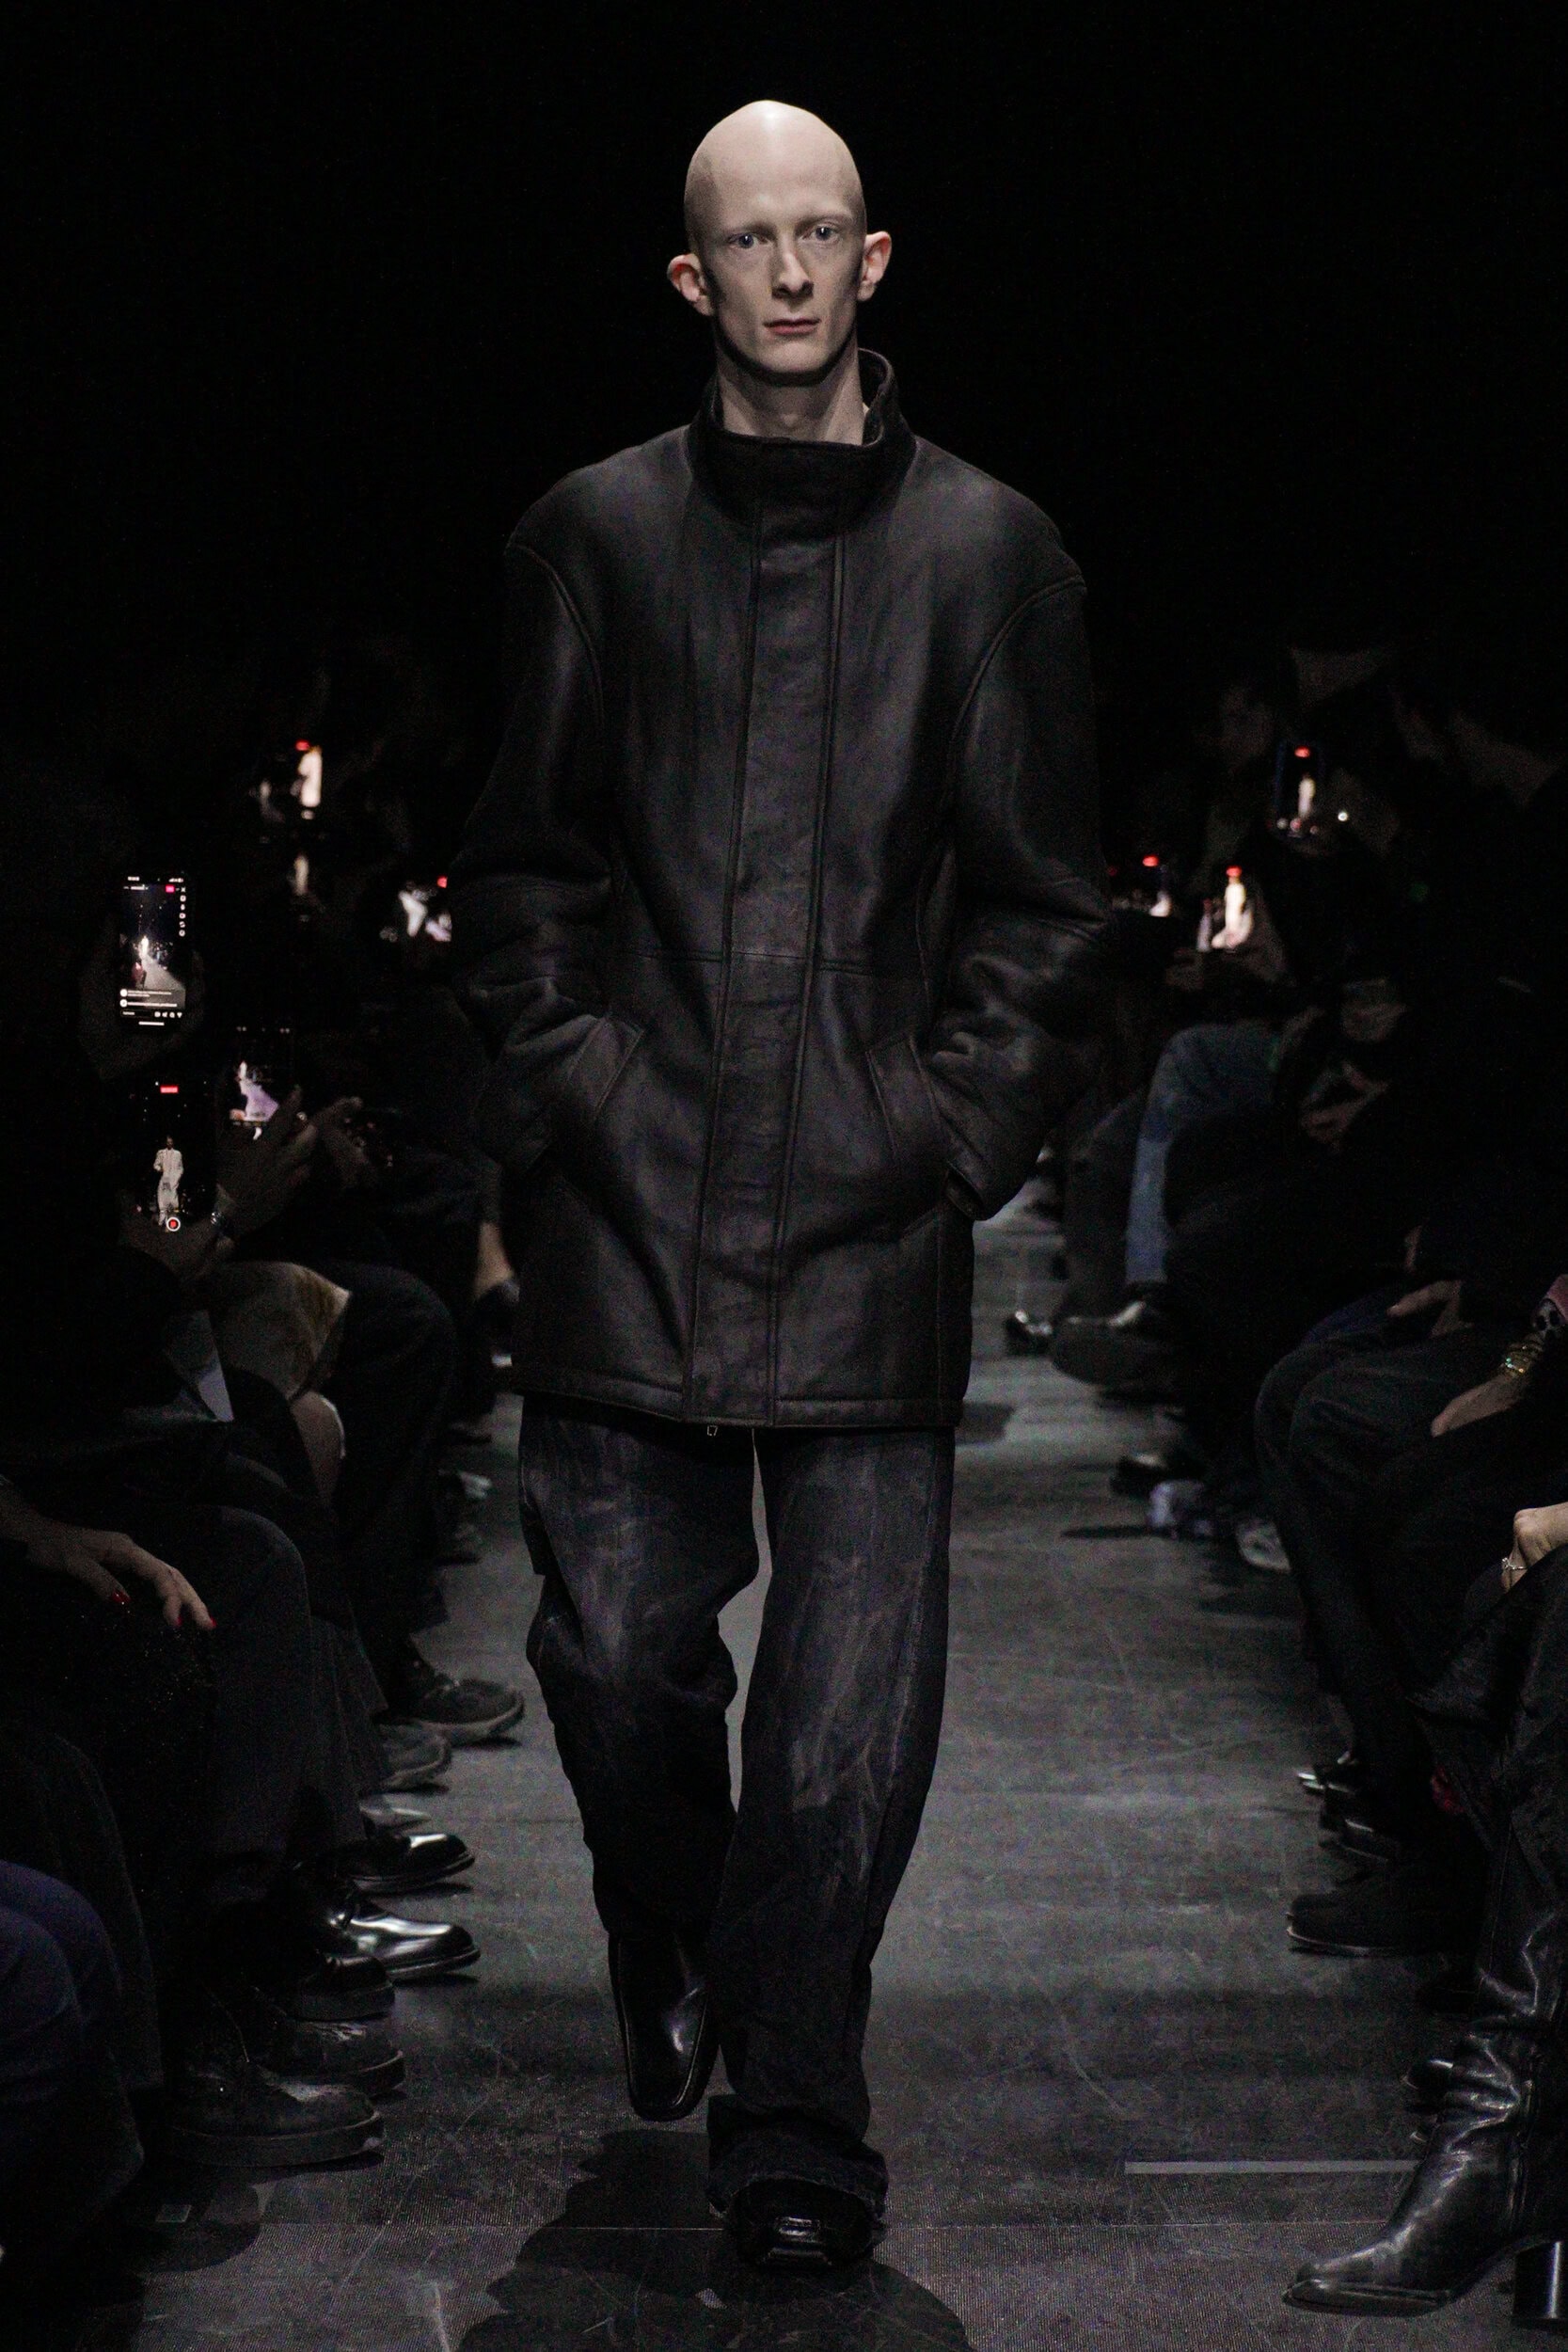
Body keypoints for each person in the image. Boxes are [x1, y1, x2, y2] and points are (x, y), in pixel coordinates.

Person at [452, 100, 1106, 2267]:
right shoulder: (591, 540)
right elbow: (520, 869)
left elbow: (1047, 907)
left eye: (827, 233)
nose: (796, 272)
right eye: (754, 241)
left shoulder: (992, 556)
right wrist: (583, 1086)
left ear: (878, 257)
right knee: (614, 1657)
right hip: (629, 1205)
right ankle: (677, 1928)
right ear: (694, 277)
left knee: (846, 1723)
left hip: (862, 1212)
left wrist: (943, 1131)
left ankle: (799, 2124)